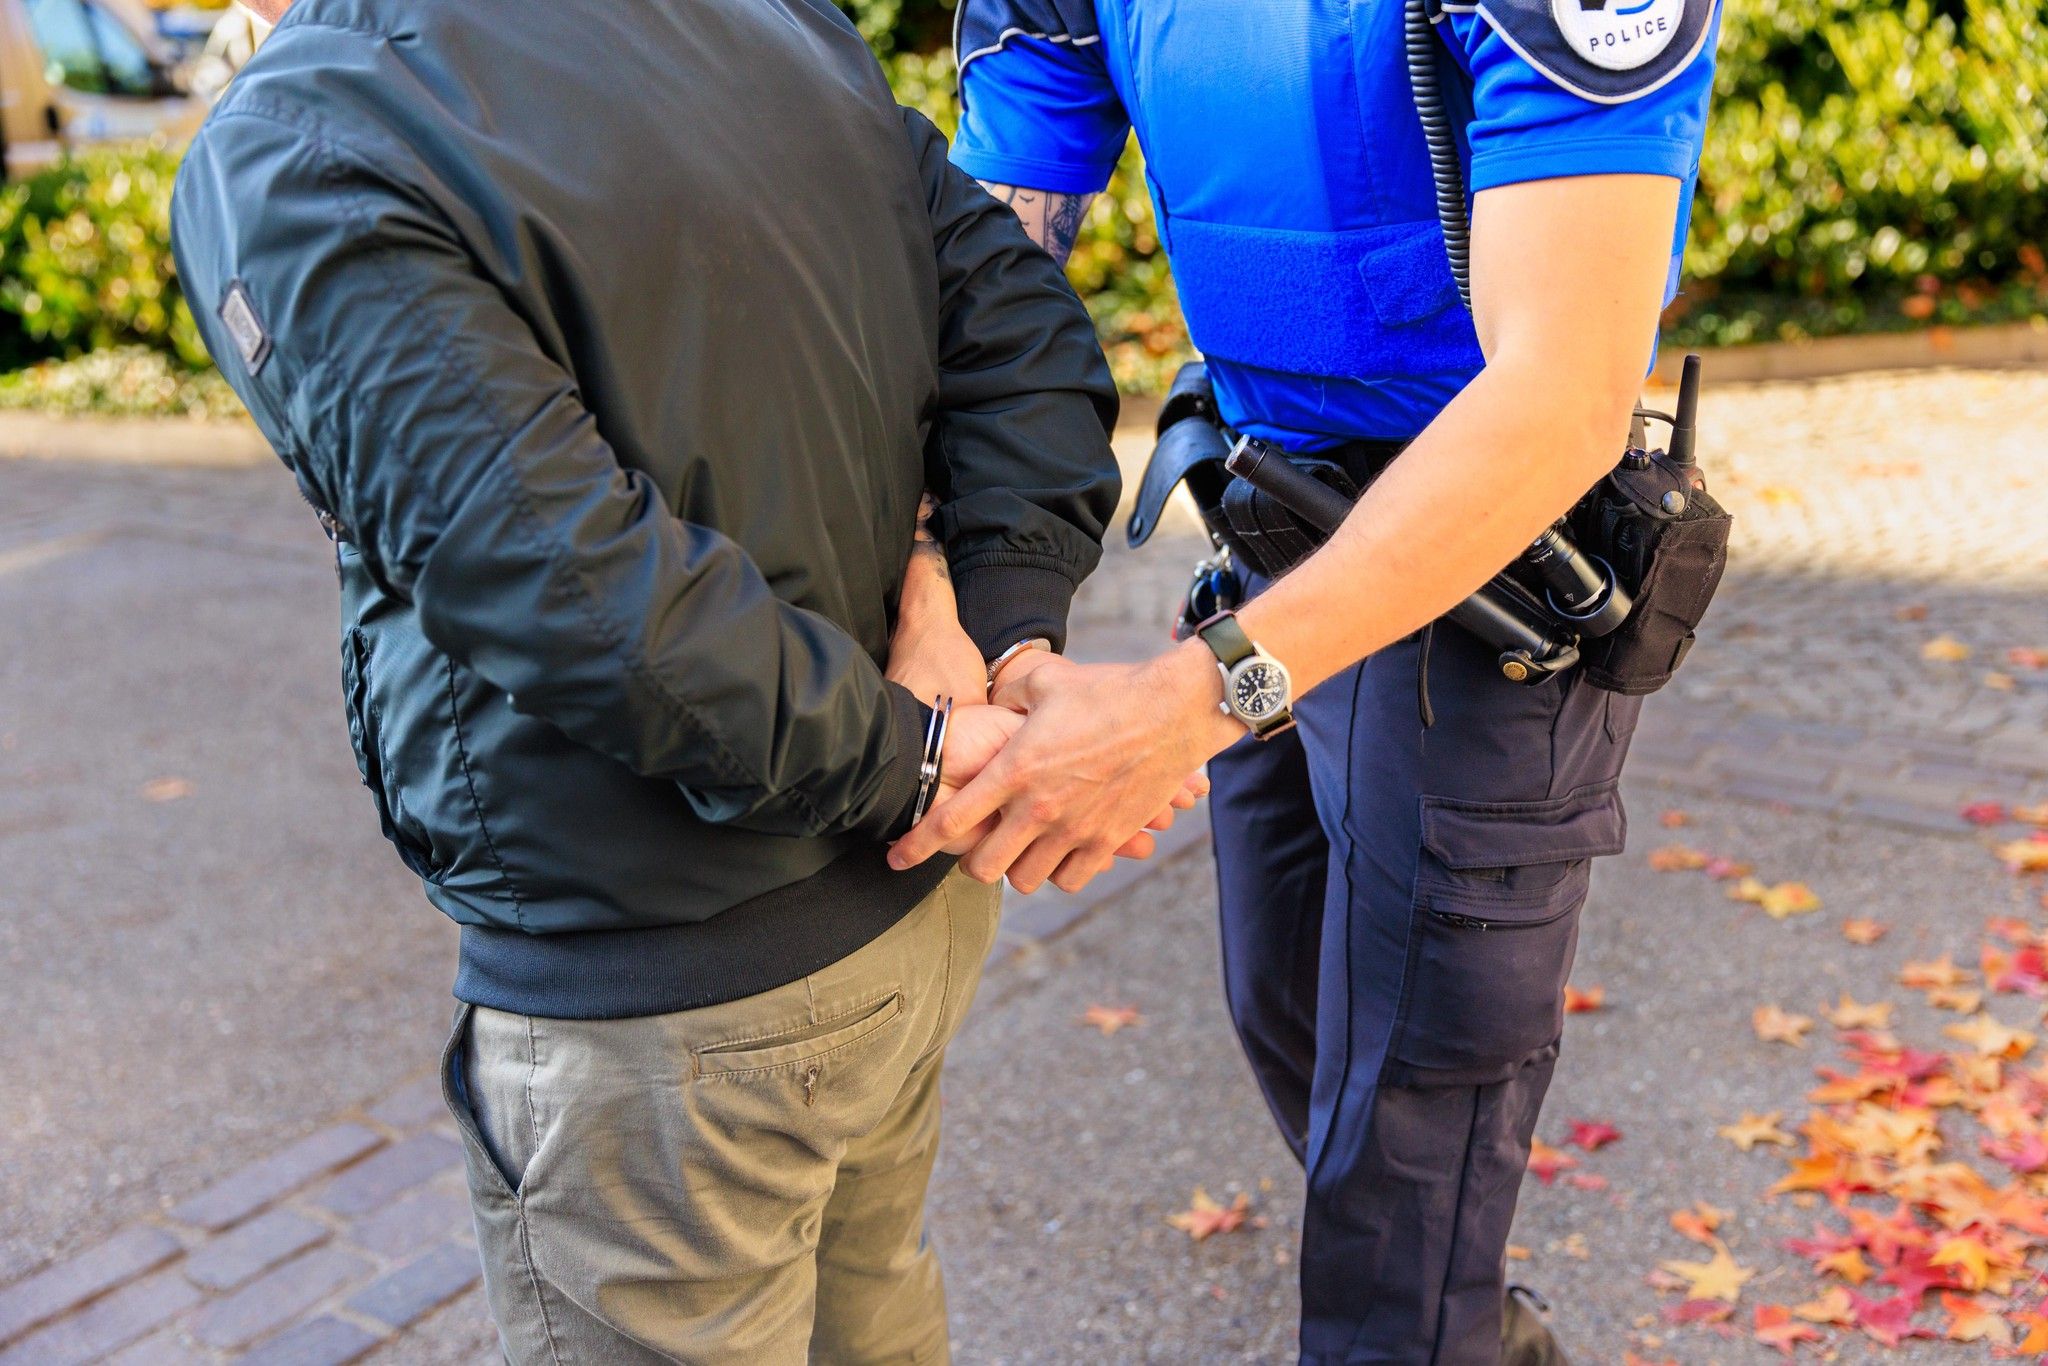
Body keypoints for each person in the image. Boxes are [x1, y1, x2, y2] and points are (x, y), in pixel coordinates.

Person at [168, 0, 1190, 1359]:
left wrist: (950, 747)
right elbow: (1019, 322)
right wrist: (1005, 654)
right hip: (908, 922)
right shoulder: (767, 21)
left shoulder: (308, 137)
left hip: (669, 996)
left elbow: (565, 586)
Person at [895, 0, 1724, 1359]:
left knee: (1403, 1154)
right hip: (1271, 535)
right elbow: (986, 281)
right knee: (1300, 1029)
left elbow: (1567, 388)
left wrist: (1178, 708)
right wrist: (934, 582)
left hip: (1485, 593)